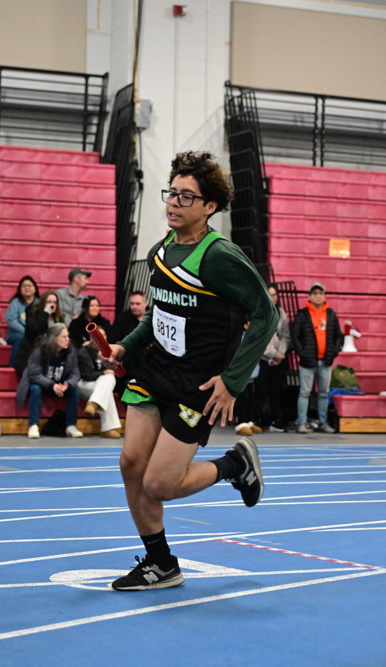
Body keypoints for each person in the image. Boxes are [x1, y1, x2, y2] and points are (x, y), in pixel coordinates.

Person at [104, 150, 275, 591]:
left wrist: (233, 381)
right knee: (131, 464)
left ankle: (234, 464)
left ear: (210, 206)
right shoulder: (160, 251)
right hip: (154, 373)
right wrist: (125, 346)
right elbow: (156, 314)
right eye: (172, 193)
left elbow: (266, 314)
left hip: (195, 385)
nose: (174, 202)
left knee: (160, 483)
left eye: (186, 196)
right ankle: (160, 564)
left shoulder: (220, 257)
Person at [292, 281, 343, 434]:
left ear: (325, 296)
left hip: (325, 361)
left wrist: (333, 353)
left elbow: (338, 336)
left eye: (321, 293)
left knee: (323, 393)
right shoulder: (303, 314)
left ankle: (323, 422)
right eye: (315, 293)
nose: (318, 296)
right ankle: (302, 422)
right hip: (307, 362)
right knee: (304, 392)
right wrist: (302, 354)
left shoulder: (331, 314)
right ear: (309, 296)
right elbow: (295, 336)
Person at [24, 323, 83, 439]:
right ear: (54, 339)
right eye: (64, 337)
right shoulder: (39, 351)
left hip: (61, 385)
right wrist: (52, 385)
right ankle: (33, 425)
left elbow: (75, 372)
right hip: (43, 385)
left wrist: (68, 384)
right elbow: (34, 375)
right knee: (35, 389)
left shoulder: (70, 352)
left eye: (68, 336)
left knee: (75, 390)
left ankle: (70, 425)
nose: (68, 339)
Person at [254, 284, 291, 433]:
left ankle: (276, 420)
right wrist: (274, 354)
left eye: (274, 294)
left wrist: (281, 354)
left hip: (279, 359)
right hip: (263, 358)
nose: (272, 297)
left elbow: (285, 336)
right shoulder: (261, 313)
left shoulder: (281, 313)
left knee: (276, 390)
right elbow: (261, 338)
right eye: (269, 294)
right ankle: (256, 419)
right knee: (261, 390)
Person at [77, 336, 122, 438]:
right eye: (98, 335)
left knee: (109, 379)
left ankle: (93, 404)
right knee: (106, 385)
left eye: (103, 336)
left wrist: (106, 373)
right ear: (91, 338)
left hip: (101, 386)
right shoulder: (84, 352)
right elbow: (86, 375)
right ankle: (108, 429)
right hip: (84, 384)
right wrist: (103, 372)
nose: (101, 338)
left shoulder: (110, 352)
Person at [12, 291, 64, 376]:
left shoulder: (58, 317)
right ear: (43, 302)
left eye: (55, 302)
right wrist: (45, 313)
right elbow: (36, 328)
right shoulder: (32, 312)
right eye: (49, 302)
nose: (52, 305)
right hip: (32, 352)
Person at [4, 275, 39, 366]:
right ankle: (13, 367)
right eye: (24, 286)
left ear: (35, 288)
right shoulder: (15, 303)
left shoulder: (40, 303)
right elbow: (11, 321)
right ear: (20, 289)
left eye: (29, 285)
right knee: (21, 339)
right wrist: (26, 332)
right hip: (16, 334)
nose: (27, 288)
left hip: (35, 334)